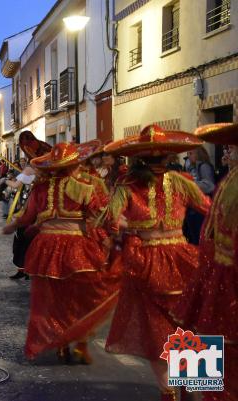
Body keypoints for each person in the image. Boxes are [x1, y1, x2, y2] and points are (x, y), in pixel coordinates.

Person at [101, 125, 211, 401]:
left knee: (157, 331)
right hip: (182, 257)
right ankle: (192, 387)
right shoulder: (182, 181)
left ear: (138, 159)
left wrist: (127, 229)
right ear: (167, 157)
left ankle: (169, 392)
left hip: (146, 260)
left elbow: (110, 222)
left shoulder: (126, 186)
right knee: (188, 325)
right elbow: (210, 209)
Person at [3, 141, 120, 365]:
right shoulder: (88, 184)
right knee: (82, 298)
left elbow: (28, 216)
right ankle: (81, 343)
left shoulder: (41, 186)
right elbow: (102, 216)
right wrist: (110, 237)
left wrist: (13, 226)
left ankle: (61, 344)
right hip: (78, 247)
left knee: (52, 300)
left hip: (46, 247)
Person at [173, 123, 238, 401]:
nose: (227, 151)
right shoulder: (231, 179)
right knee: (201, 332)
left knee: (208, 332)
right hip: (214, 268)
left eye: (232, 147)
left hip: (224, 273)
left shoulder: (230, 181)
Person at [9, 132, 53, 280]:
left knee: (27, 235)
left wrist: (4, 182)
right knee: (23, 235)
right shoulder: (33, 164)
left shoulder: (37, 165)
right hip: (32, 202)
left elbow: (16, 184)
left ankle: (31, 269)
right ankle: (24, 269)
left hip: (41, 208)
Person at [183, 146, 215, 245]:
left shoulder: (203, 166)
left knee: (198, 237)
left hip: (201, 207)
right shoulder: (190, 166)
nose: (188, 156)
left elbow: (209, 185)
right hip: (192, 206)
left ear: (198, 154)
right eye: (187, 154)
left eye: (191, 153)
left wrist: (189, 184)